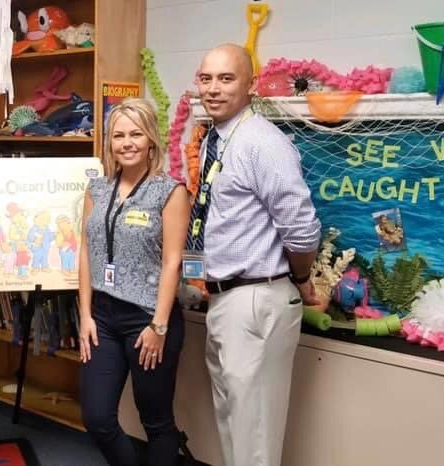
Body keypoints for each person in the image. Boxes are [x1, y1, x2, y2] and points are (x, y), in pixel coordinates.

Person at [190, 44, 322, 466]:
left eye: (226, 79)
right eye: (206, 78)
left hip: (256, 298)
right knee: (235, 425)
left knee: (256, 436)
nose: (213, 88)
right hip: (225, 299)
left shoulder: (262, 143)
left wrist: (302, 279)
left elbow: (301, 230)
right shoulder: (217, 138)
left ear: (251, 85)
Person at [78, 97, 190, 466]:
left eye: (136, 134)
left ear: (151, 141)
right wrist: (85, 316)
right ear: (108, 142)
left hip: (148, 319)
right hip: (103, 318)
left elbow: (173, 261)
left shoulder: (169, 191)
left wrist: (159, 325)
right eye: (118, 135)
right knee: (96, 417)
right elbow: (85, 251)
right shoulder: (96, 190)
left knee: (156, 423)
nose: (126, 143)